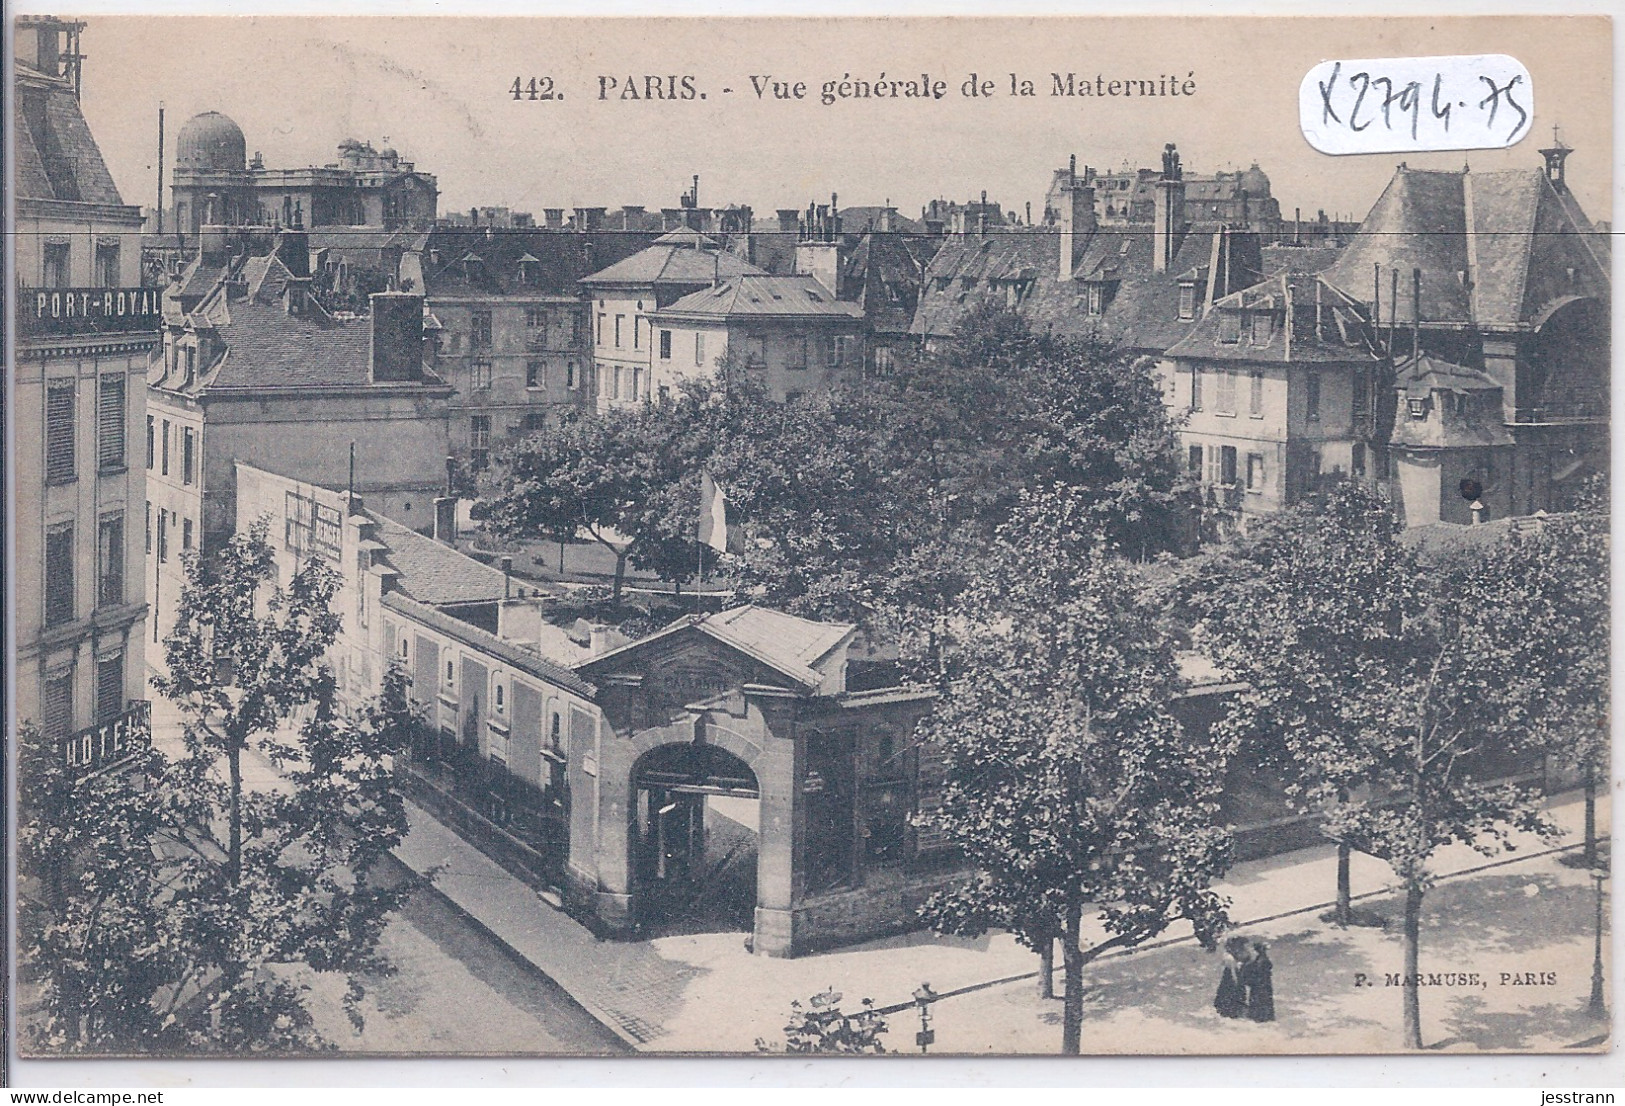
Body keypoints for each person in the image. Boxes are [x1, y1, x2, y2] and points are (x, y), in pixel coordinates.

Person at [1239, 939, 1276, 1023]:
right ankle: (1264, 1017)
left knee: (1258, 1001)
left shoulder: (1257, 960)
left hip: (1259, 985)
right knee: (1264, 1001)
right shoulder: (1263, 960)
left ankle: (1258, 1017)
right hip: (1263, 985)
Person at [1213, 936, 1248, 1019]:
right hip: (1231, 977)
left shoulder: (1230, 955)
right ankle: (1230, 1009)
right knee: (1231, 993)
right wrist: (1237, 981)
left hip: (1230, 976)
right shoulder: (1229, 958)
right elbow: (1233, 972)